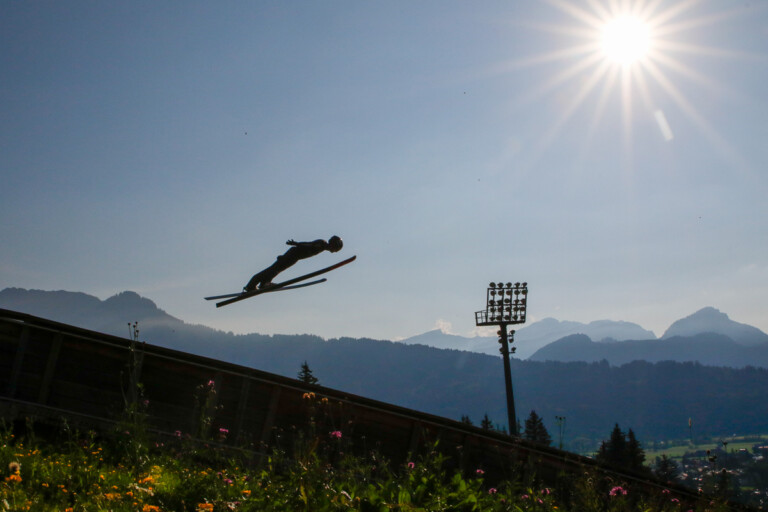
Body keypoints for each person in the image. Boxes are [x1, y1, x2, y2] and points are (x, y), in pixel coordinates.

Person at [244, 236, 343, 291]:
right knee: (275, 269)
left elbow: (308, 243)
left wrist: (297, 244)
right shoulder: (321, 244)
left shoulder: (322, 246)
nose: (333, 251)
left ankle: (261, 283)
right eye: (335, 249)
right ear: (333, 245)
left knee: (276, 269)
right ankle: (256, 284)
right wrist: (296, 243)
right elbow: (308, 244)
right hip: (294, 254)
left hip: (295, 256)